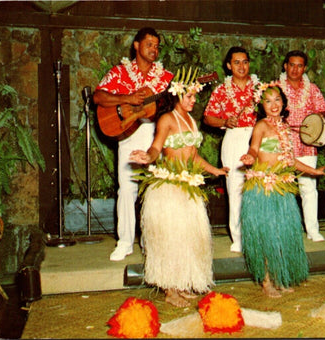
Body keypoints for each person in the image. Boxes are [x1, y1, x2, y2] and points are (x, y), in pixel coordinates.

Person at [129, 73, 228, 307]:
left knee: (189, 238)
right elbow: (156, 148)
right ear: (176, 95)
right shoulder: (167, 120)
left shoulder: (191, 121)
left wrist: (215, 171)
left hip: (188, 185)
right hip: (170, 187)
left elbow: (193, 155)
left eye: (194, 96)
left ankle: (182, 283)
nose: (193, 100)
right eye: (189, 96)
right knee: (170, 239)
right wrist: (147, 157)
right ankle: (169, 289)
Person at [93, 27, 174, 261]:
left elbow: (174, 103)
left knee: (158, 189)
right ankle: (125, 242)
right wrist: (127, 98)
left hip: (158, 134)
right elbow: (99, 97)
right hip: (128, 133)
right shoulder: (120, 72)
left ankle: (155, 244)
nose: (154, 50)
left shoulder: (165, 77)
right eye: (149, 44)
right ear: (136, 46)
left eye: (157, 46)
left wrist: (181, 94)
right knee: (126, 189)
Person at [239, 85, 325, 298]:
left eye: (277, 99)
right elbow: (253, 147)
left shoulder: (286, 128)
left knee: (282, 235)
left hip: (282, 187)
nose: (273, 105)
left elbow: (290, 160)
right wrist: (250, 156)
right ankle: (266, 281)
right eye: (268, 101)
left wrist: (313, 171)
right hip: (263, 189)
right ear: (262, 105)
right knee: (266, 236)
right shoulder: (260, 125)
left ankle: (279, 277)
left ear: (283, 102)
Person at [203, 46, 259, 253]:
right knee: (234, 188)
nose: (241, 66)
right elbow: (208, 117)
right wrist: (225, 121)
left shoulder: (260, 87)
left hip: (257, 137)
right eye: (236, 62)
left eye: (245, 62)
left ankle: (258, 233)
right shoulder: (221, 90)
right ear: (229, 65)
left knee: (259, 186)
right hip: (233, 139)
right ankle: (238, 237)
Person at [279, 50, 325, 242]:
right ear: (285, 66)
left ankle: (313, 231)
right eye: (292, 65)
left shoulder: (313, 89)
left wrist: (314, 125)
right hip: (283, 144)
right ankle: (286, 230)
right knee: (283, 187)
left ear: (304, 68)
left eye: (300, 65)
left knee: (308, 188)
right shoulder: (276, 87)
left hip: (307, 144)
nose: (295, 69)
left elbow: (322, 113)